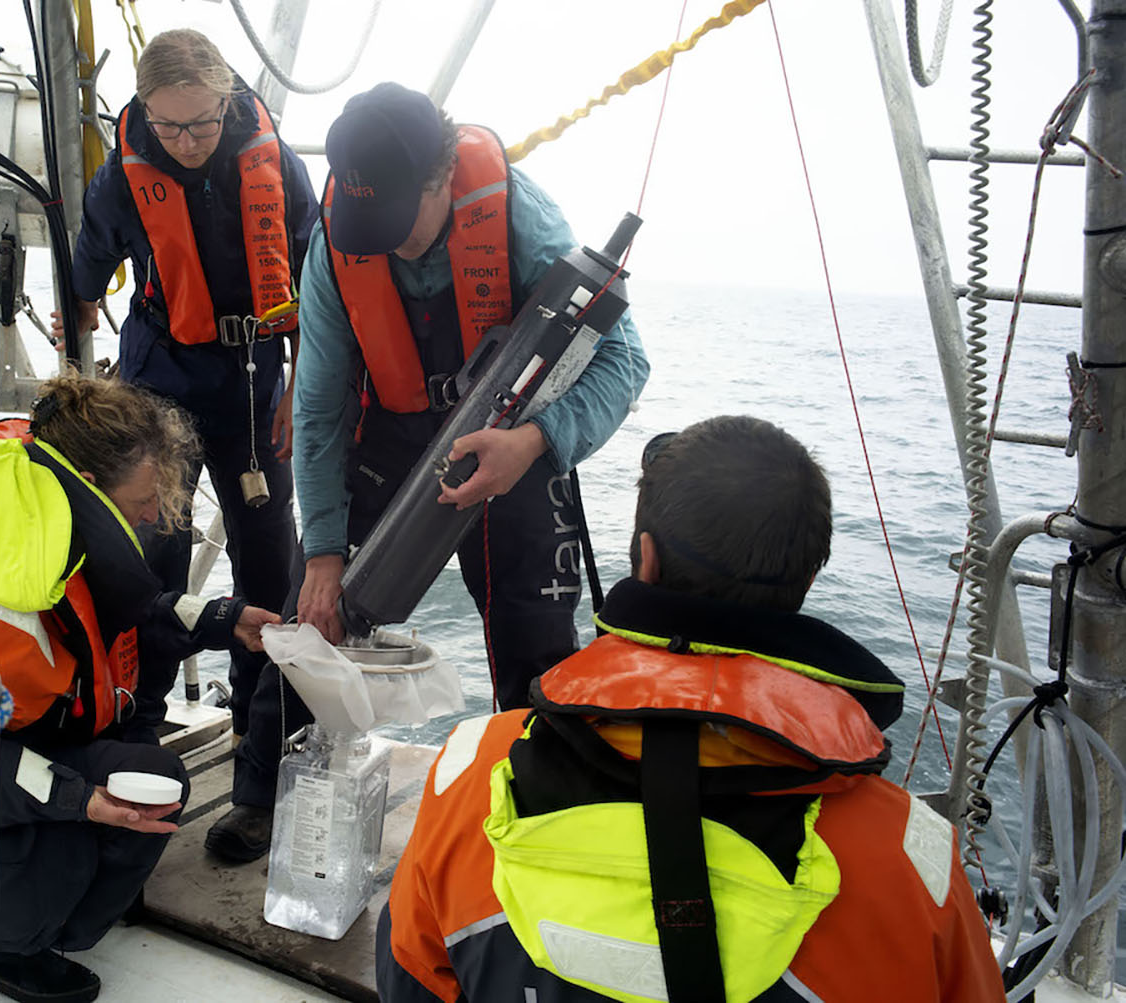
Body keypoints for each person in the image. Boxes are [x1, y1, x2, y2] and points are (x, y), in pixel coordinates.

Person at [376, 415, 1006, 1002]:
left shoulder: (472, 770)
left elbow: (408, 976)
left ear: (645, 559)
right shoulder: (912, 860)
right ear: (807, 581)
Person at [204, 82, 650, 862]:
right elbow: (315, 408)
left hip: (511, 433)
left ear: (444, 178)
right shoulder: (339, 244)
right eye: (363, 225)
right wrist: (325, 549)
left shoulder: (520, 221)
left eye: (396, 223)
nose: (377, 242)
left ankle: (541, 822)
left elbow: (624, 360)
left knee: (535, 635)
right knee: (311, 611)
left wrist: (540, 439)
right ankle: (259, 794)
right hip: (393, 429)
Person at [0, 373, 281, 1003]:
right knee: (131, 803)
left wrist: (226, 621)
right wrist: (76, 799)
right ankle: (6, 938)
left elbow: (116, 613)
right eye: (145, 497)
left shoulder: (35, 537)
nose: (155, 513)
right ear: (91, 489)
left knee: (133, 769)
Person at [53, 28, 318, 763]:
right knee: (153, 557)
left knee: (268, 559)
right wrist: (74, 330)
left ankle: (258, 731)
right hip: (160, 382)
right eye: (169, 124)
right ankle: (136, 727)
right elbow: (87, 271)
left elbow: (318, 277)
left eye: (203, 121)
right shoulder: (123, 175)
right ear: (143, 109)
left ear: (228, 102)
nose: (188, 139)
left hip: (254, 382)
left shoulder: (274, 165)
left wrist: (303, 384)